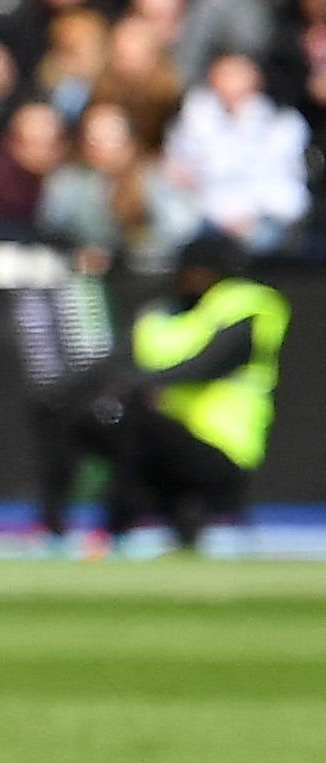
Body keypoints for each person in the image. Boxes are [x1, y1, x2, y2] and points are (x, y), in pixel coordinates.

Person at [82, 233, 290, 549]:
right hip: (168, 440)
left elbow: (207, 365)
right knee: (85, 420)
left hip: (221, 447)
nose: (192, 278)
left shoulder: (247, 304)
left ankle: (114, 531)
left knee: (137, 425)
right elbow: (113, 365)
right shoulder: (159, 314)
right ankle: (53, 526)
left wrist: (138, 383)